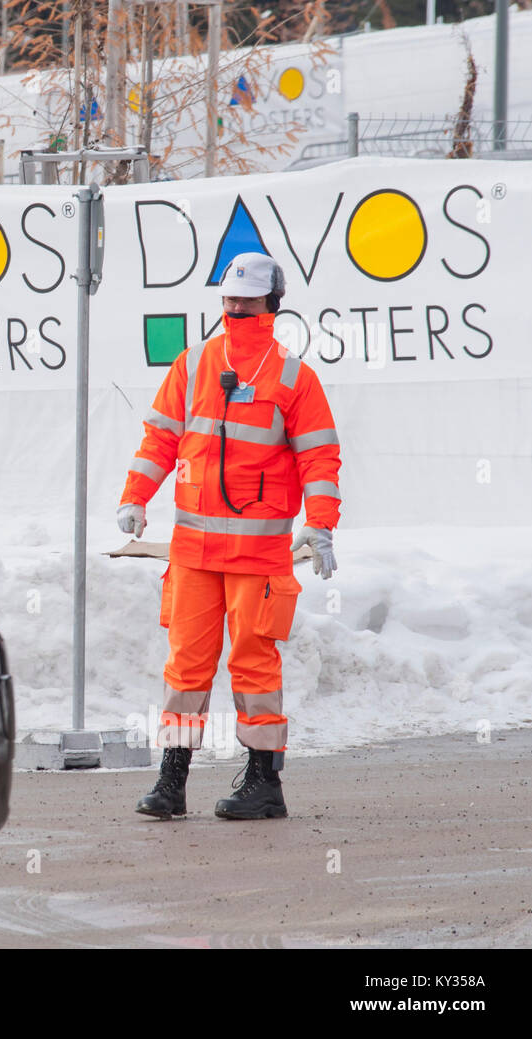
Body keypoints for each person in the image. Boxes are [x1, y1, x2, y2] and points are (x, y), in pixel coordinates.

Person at [117, 252, 341, 820]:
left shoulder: (294, 377)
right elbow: (159, 439)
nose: (235, 308)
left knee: (253, 663)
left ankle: (264, 784)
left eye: (247, 300)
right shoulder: (193, 365)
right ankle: (172, 781)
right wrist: (134, 497)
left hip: (258, 556)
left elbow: (319, 457)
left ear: (272, 304)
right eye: (228, 300)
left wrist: (320, 523)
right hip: (193, 553)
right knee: (185, 665)